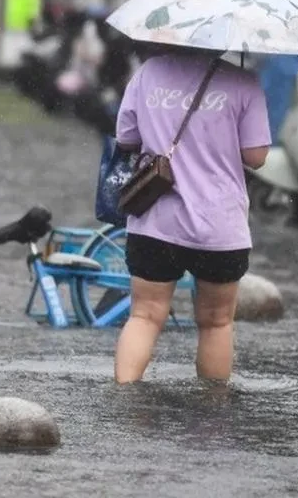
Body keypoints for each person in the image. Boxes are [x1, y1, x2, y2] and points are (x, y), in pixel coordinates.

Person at [113, 47, 272, 384]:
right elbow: (256, 157)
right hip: (219, 227)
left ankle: (123, 397)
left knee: (143, 316)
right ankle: (212, 408)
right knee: (216, 322)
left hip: (155, 221)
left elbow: (126, 137)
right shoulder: (244, 82)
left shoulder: (149, 72)